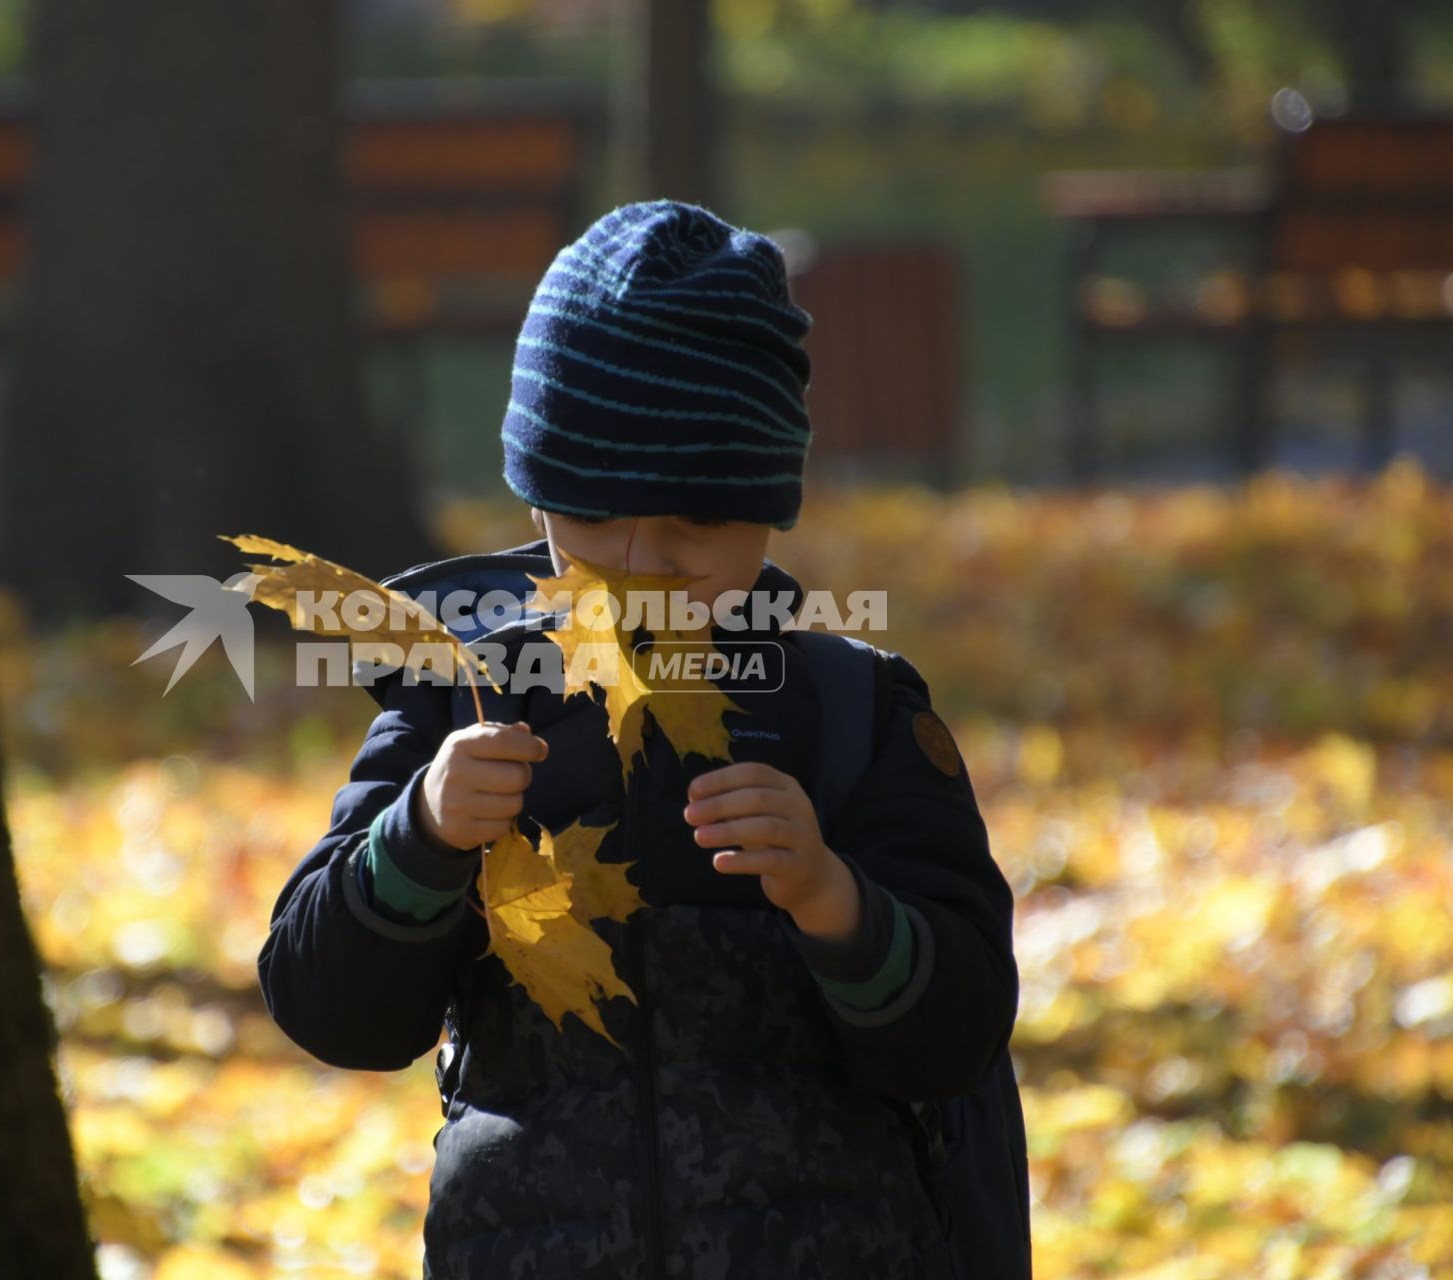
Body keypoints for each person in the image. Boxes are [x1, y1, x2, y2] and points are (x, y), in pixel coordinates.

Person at [256, 200, 1018, 1279]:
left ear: (767, 510)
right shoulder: (464, 701)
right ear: (537, 501)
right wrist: (420, 836)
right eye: (596, 514)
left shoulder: (854, 714)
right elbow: (328, 1005)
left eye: (695, 525)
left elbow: (962, 1028)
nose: (641, 560)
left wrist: (832, 898)